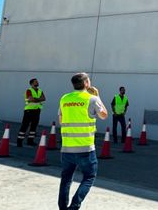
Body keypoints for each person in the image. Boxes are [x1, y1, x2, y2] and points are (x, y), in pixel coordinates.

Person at [58, 72, 108, 210]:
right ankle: (74, 206)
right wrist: (98, 96)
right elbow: (104, 115)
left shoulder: (64, 99)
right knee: (89, 176)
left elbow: (61, 120)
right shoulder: (92, 99)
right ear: (86, 83)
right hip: (85, 148)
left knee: (66, 179)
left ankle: (62, 208)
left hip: (67, 147)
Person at [17, 78, 46, 147]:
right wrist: (38, 100)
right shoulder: (29, 90)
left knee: (34, 126)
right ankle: (19, 141)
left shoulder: (40, 91)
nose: (37, 82)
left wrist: (35, 99)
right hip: (29, 110)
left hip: (37, 110)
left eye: (37, 81)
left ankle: (30, 141)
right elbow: (30, 99)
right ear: (32, 83)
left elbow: (44, 98)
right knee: (25, 126)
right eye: (36, 82)